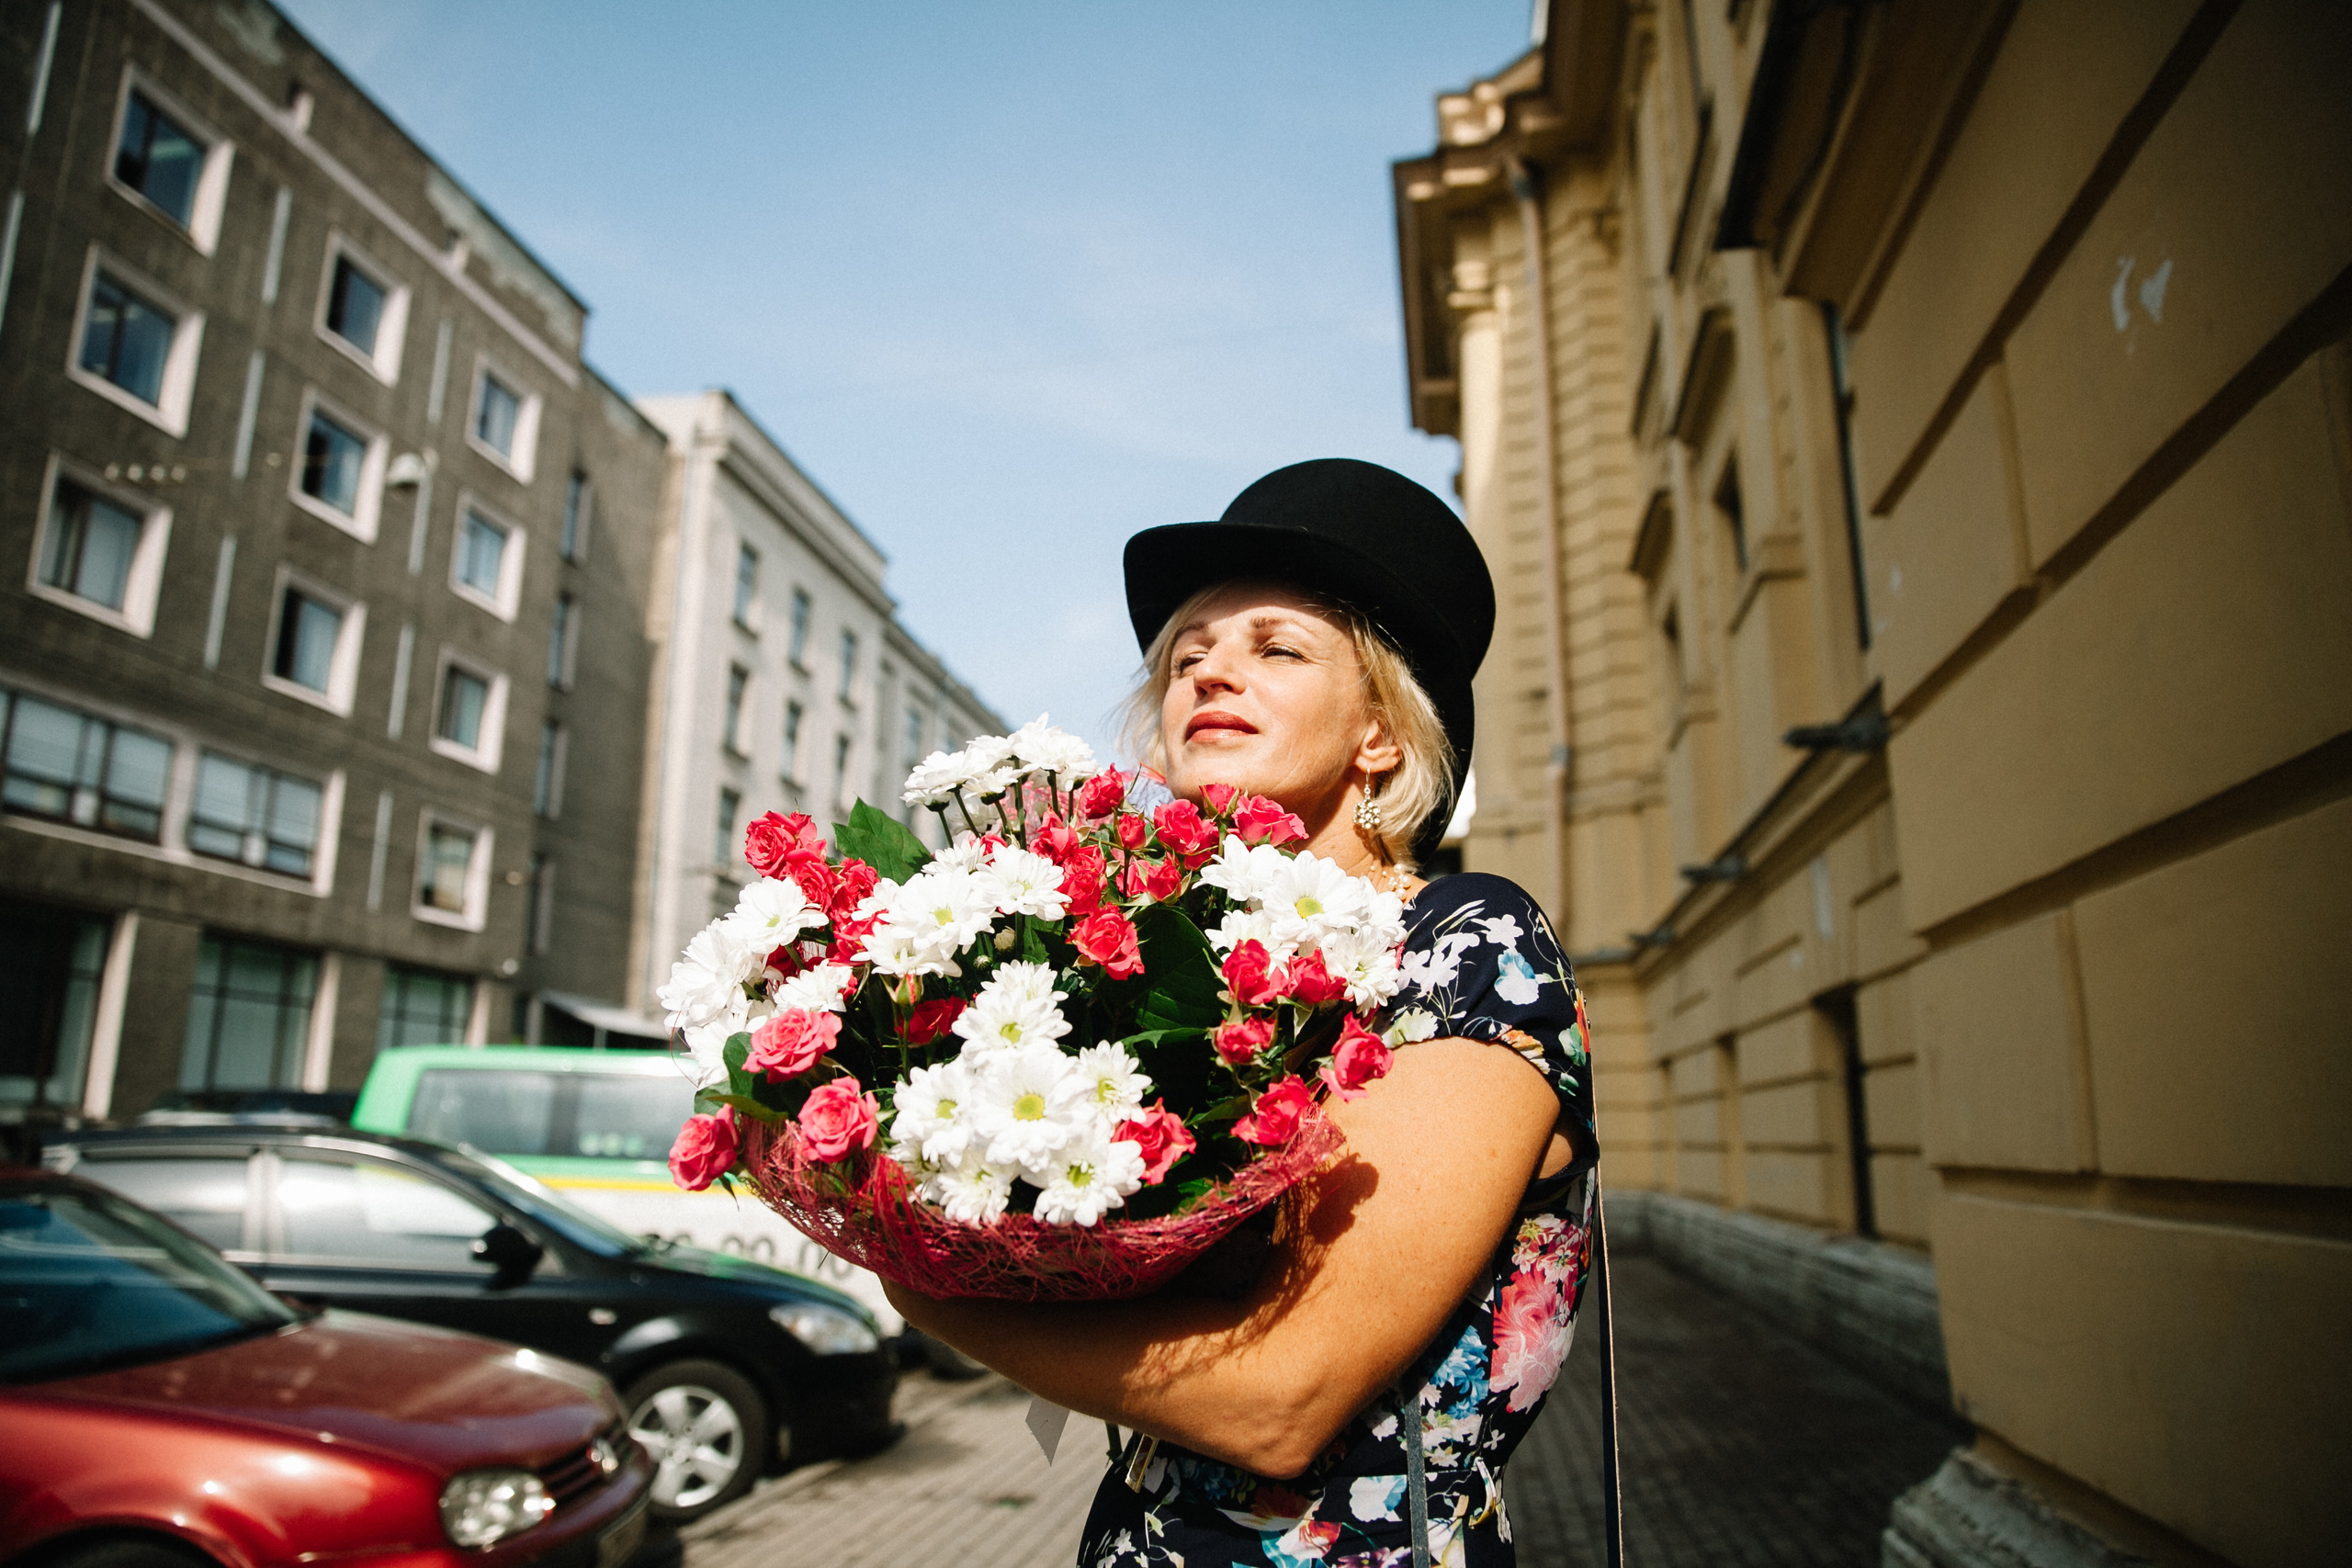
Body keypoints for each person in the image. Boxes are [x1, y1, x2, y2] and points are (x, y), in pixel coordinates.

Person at [884, 458, 1599, 1567]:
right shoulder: (1180, 975)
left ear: (1378, 733)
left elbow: (1281, 1403)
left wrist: (926, 1293)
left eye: (1276, 649)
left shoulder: (1464, 946)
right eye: (1187, 658)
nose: (1211, 672)